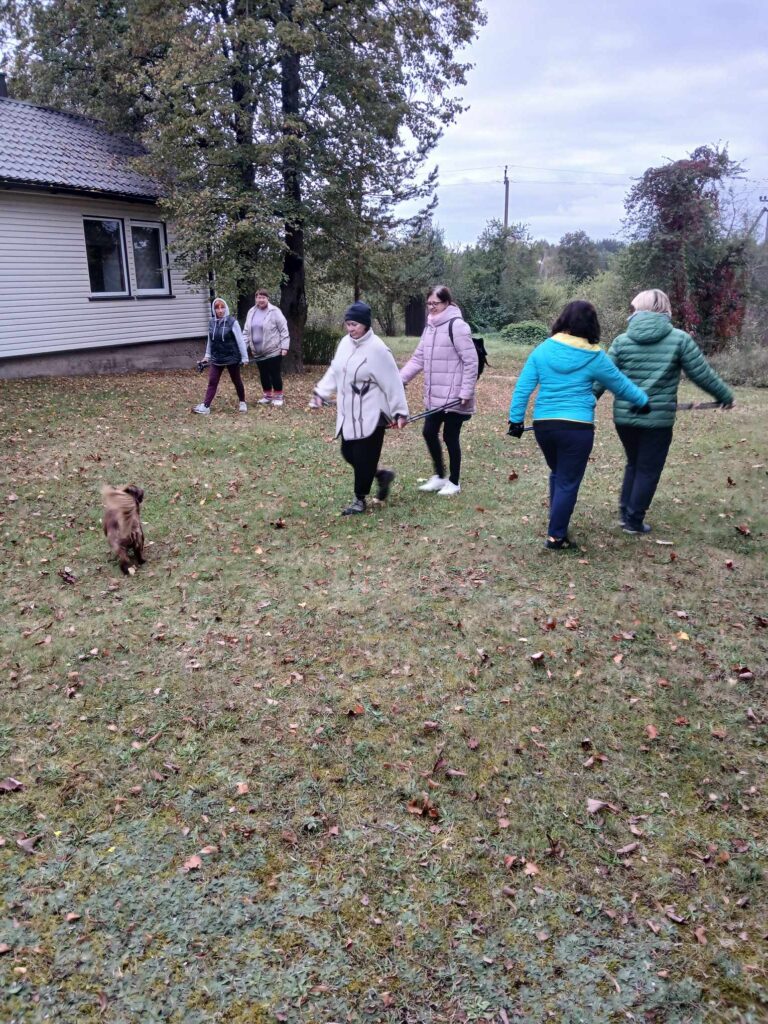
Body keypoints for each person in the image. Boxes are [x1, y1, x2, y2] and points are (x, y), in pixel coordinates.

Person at [508, 300, 650, 550]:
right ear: (591, 325)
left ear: (562, 320)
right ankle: (556, 537)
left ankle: (557, 522)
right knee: (567, 480)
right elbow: (620, 384)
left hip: (545, 426)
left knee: (559, 473)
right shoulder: (594, 355)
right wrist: (642, 401)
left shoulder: (543, 350)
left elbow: (523, 387)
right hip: (577, 428)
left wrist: (515, 420)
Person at [596, 288, 734, 535]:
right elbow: (702, 374)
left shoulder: (621, 341)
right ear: (665, 310)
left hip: (625, 418)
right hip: (657, 419)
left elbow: (603, 376)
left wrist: (583, 401)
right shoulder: (679, 339)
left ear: (638, 310)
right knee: (648, 469)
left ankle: (626, 513)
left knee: (634, 463)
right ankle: (633, 521)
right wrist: (725, 396)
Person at [309, 301, 409, 515]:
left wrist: (400, 411)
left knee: (364, 457)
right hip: (349, 413)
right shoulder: (345, 343)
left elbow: (393, 381)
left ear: (365, 324)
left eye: (354, 324)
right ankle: (381, 475)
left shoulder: (378, 349)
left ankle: (359, 500)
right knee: (348, 452)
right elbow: (335, 370)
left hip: (372, 413)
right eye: (348, 324)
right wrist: (321, 392)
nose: (350, 328)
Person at [400, 285, 478, 496]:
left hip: (455, 396)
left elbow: (471, 361)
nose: (431, 307)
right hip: (435, 394)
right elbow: (418, 358)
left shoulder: (457, 326)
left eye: (435, 303)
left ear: (447, 303)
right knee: (428, 432)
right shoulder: (430, 327)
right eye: (429, 303)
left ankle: (454, 482)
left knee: (450, 437)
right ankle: (440, 476)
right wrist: (400, 379)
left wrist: (466, 391)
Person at [193, 297, 248, 415]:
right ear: (214, 310)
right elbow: (210, 340)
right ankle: (206, 406)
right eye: (217, 308)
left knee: (237, 381)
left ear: (226, 308)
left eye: (222, 307)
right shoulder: (212, 322)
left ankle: (242, 402)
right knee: (212, 381)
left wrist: (245, 357)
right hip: (217, 358)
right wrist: (207, 356)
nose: (220, 310)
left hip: (231, 357)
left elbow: (240, 340)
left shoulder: (232, 322)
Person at [243, 289, 291, 406]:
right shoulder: (251, 312)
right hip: (257, 352)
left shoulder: (274, 311)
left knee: (274, 374)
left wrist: (285, 347)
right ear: (256, 298)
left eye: (263, 297)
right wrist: (243, 348)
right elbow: (246, 331)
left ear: (267, 298)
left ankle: (278, 397)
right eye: (259, 297)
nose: (261, 300)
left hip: (273, 350)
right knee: (263, 374)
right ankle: (267, 396)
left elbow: (284, 329)